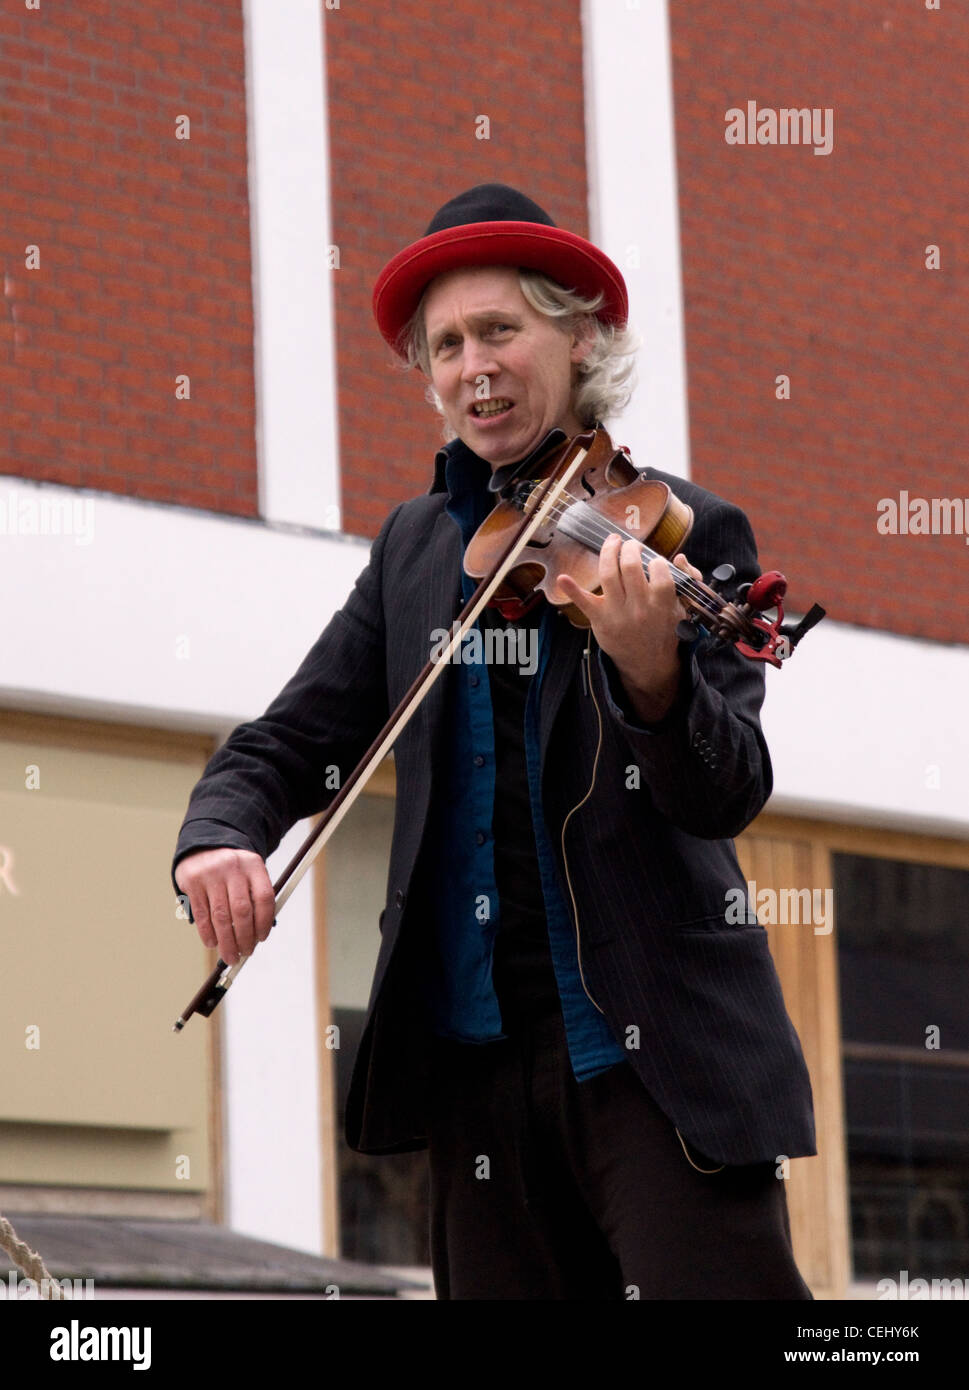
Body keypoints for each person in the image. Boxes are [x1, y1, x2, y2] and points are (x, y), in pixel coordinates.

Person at [173, 184, 816, 1300]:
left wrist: (656, 680)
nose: (473, 363)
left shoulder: (680, 528)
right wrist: (220, 837)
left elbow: (728, 790)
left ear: (577, 341)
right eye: (446, 343)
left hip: (650, 1060)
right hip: (474, 1071)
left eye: (501, 331)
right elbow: (285, 742)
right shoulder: (420, 551)